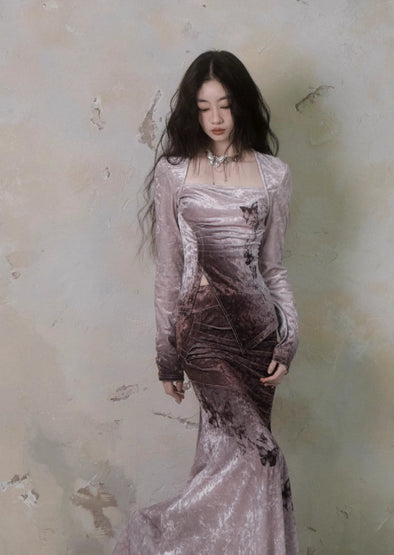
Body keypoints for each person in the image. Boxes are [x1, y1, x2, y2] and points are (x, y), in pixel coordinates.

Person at [113, 50, 300, 554]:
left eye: (224, 105)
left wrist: (288, 342)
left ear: (242, 105)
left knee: (228, 461)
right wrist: (167, 355)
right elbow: (169, 271)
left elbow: (274, 269)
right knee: (260, 457)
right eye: (203, 107)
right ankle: (150, 538)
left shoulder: (273, 175)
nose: (215, 118)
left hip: (258, 335)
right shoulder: (174, 173)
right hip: (202, 334)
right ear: (191, 112)